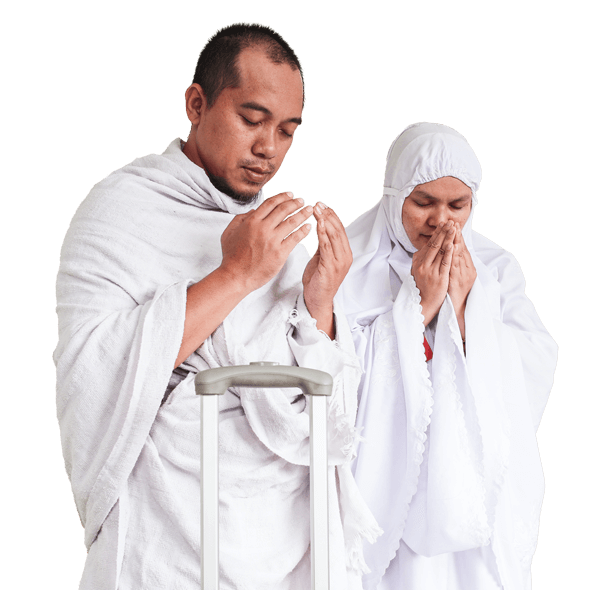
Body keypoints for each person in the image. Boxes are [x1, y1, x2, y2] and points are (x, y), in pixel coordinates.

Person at [54, 23, 380, 589]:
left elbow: (322, 415)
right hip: (170, 540)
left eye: (287, 130)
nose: (268, 148)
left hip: (283, 541)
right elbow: (93, 377)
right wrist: (235, 275)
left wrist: (320, 305)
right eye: (252, 120)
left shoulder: (278, 237)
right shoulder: (121, 211)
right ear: (196, 104)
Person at [336, 122, 558, 590]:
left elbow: (534, 362)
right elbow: (332, 370)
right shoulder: (348, 264)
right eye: (423, 203)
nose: (441, 221)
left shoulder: (495, 268)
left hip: (470, 490)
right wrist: (418, 307)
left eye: (457, 205)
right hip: (387, 487)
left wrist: (463, 308)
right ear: (394, 197)